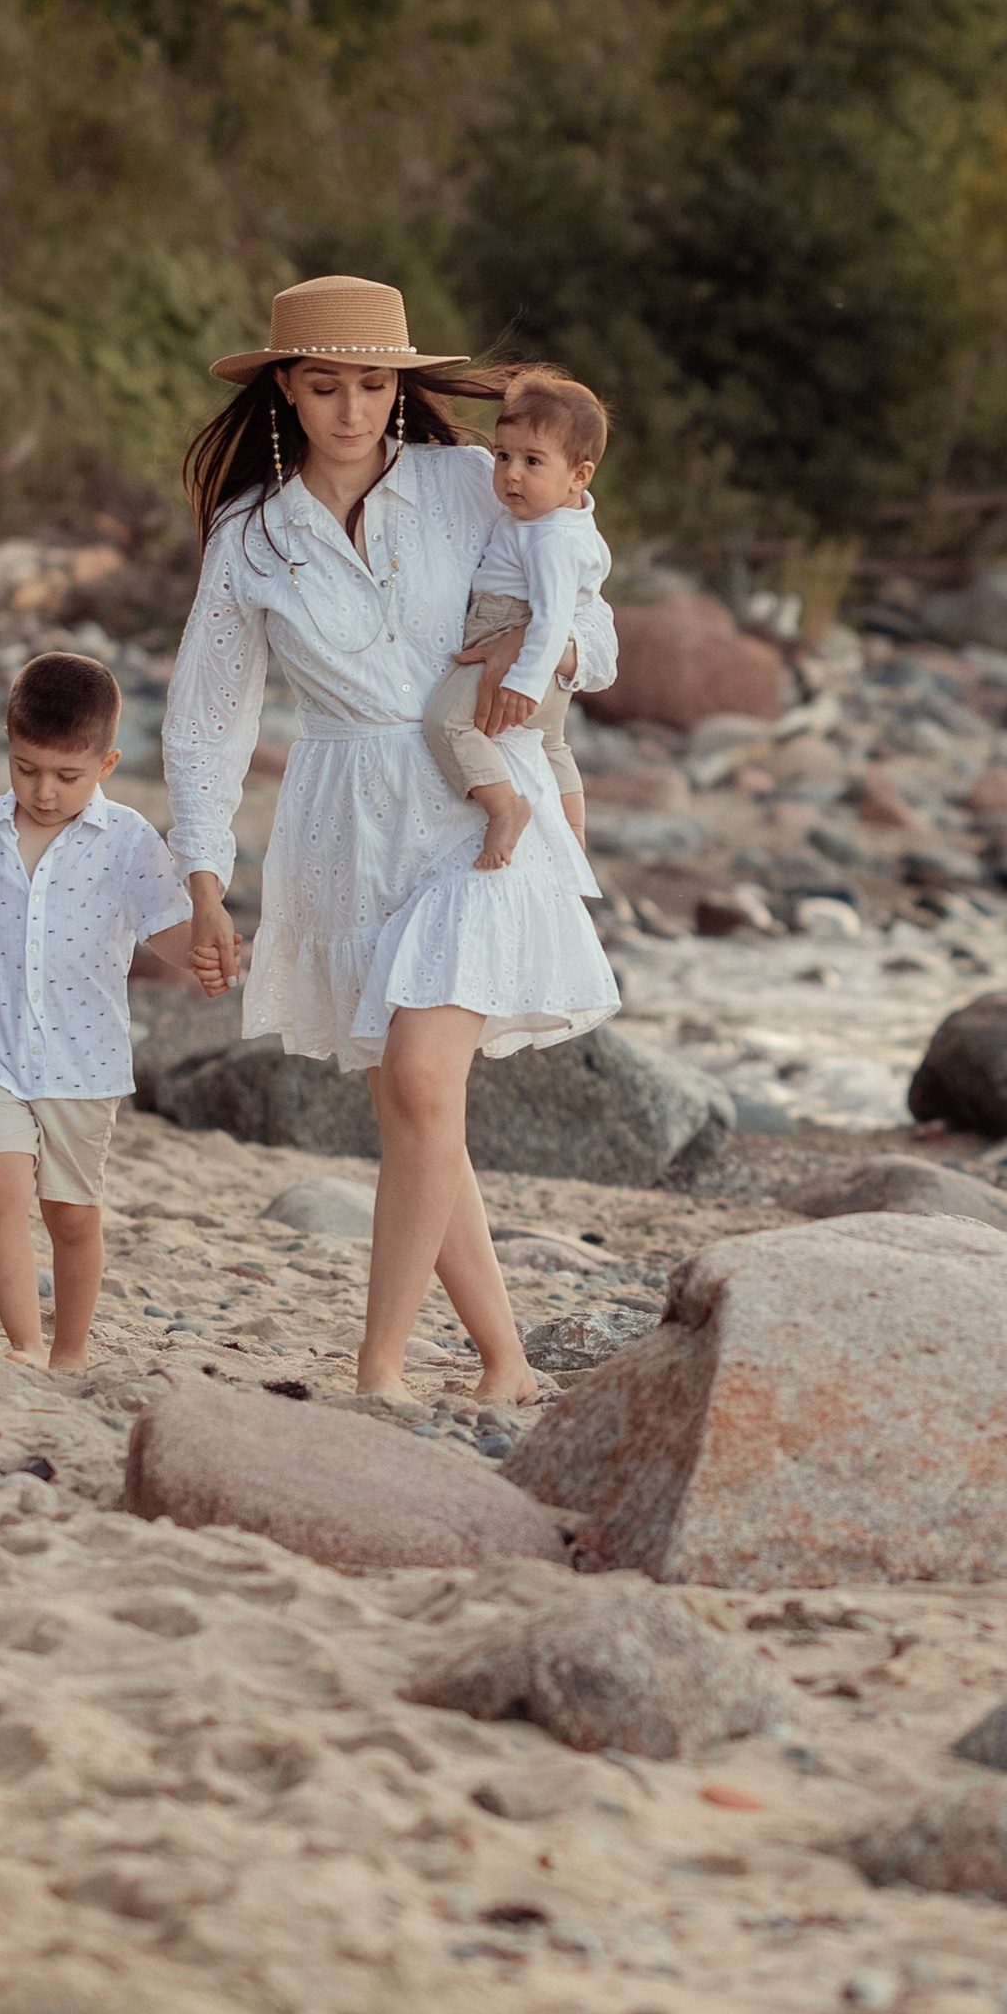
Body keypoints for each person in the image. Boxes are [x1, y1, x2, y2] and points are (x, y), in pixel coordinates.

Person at [163, 276, 618, 1410]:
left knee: (419, 1082)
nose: (353, 410)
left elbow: (593, 620)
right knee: (417, 1107)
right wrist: (206, 884)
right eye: (326, 386)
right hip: (342, 823)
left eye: (374, 385)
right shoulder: (253, 535)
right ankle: (507, 1363)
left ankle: (380, 1366)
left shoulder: (474, 481)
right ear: (286, 388)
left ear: (399, 386)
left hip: (476, 804)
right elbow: (210, 715)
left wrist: (536, 658)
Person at [0, 650, 191, 1370]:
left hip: (84, 1060)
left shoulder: (129, 841)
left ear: (106, 763)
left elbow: (166, 930)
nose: (43, 791)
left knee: (70, 1215)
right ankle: (23, 1346)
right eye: (24, 767)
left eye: (66, 776)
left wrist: (208, 952)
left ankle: (70, 1351)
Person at [420, 366, 610, 867]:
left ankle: (504, 808)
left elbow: (551, 619)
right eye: (503, 456)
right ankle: (572, 834)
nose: (511, 473)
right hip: (536, 661)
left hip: (516, 647)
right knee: (552, 743)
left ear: (579, 475)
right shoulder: (558, 524)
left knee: (447, 721)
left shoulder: (551, 539)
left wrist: (524, 682)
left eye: (532, 461)